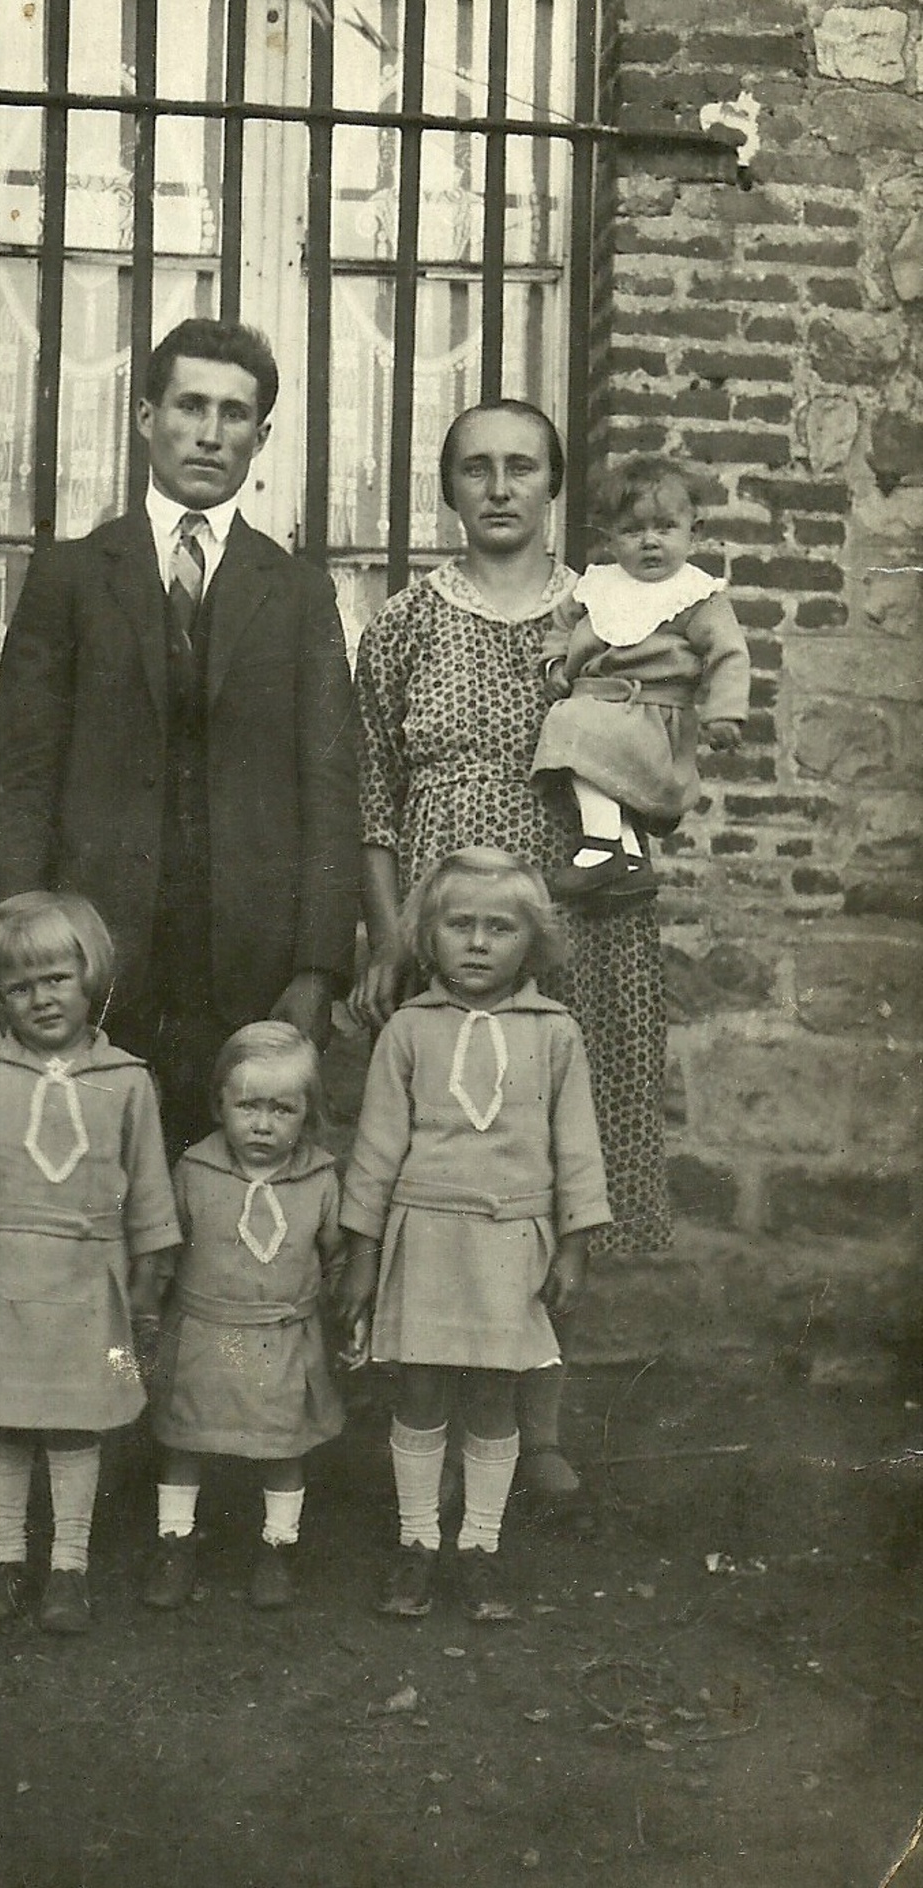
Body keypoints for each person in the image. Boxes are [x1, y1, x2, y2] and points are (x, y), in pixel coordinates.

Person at [351, 398, 672, 1500]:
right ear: (448, 488)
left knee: (556, 1150)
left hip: (582, 917)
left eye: (522, 467)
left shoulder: (607, 614)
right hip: (448, 928)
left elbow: (662, 760)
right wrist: (391, 933)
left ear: (554, 486)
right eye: (476, 468)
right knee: (453, 1157)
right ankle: (435, 1417)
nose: (499, 487)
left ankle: (537, 1427)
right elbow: (372, 797)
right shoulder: (403, 624)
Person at [0, 319, 359, 1156]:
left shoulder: (299, 594)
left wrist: (318, 970)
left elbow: (332, 789)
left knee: (230, 1187)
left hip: (248, 965)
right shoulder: (70, 576)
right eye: (190, 406)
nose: (209, 433)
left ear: (261, 437)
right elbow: (22, 777)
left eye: (234, 414)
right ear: (146, 416)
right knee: (86, 1178)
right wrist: (18, 945)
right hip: (94, 957)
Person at [337, 849, 609, 1619]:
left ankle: (480, 1546)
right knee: (420, 1391)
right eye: (460, 925)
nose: (479, 943)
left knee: (494, 1396)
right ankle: (417, 1540)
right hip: (425, 1237)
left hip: (510, 1244)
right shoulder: (407, 1031)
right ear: (428, 936)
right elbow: (375, 1154)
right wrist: (362, 1259)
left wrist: (574, 1248)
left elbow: (577, 1150)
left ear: (534, 941)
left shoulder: (555, 1034)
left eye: (501, 928)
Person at [0, 892, 181, 1635]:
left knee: (73, 1424)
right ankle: (6, 1559)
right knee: (5, 1422)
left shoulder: (127, 1079)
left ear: (90, 976)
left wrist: (148, 1279)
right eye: (20, 987)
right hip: (1, 1274)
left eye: (57, 978)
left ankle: (69, 1567)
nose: (41, 999)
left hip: (88, 1278)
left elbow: (149, 1189)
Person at [142, 1021, 345, 1613]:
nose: (262, 1124)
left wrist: (347, 1312)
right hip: (203, 1333)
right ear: (218, 1105)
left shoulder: (319, 1179)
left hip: (283, 1337)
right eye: (248, 1106)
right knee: (185, 1439)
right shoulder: (194, 1171)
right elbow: (164, 1247)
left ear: (308, 1114)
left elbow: (337, 1256)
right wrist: (146, 1304)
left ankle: (277, 1545)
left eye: (283, 1109)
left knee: (284, 1447)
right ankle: (175, 1542)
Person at [532, 455, 750, 897]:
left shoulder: (695, 596)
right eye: (632, 531)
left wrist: (724, 714)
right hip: (601, 704)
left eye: (666, 527)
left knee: (572, 727)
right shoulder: (597, 586)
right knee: (594, 748)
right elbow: (561, 628)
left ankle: (601, 847)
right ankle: (630, 858)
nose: (650, 542)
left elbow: (728, 655)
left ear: (694, 532)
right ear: (611, 538)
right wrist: (555, 665)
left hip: (654, 716)